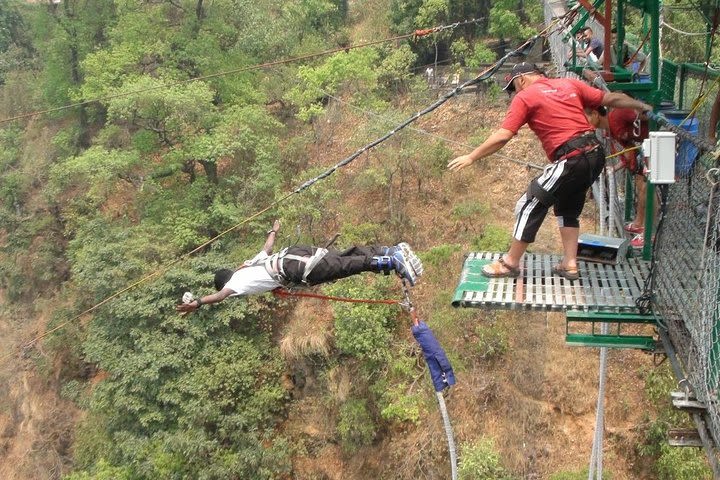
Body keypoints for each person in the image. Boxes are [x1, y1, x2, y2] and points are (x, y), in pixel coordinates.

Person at [447, 62, 652, 280]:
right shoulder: (569, 84)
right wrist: (640, 106)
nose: (513, 94)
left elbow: (503, 135)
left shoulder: (524, 97)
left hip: (572, 157)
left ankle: (510, 263)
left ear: (522, 79)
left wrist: (471, 157)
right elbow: (611, 99)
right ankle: (570, 264)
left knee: (530, 201)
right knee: (567, 207)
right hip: (594, 154)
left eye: (513, 87)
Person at [176, 220, 424, 314]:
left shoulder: (233, 284)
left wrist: (198, 302)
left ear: (226, 281)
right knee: (341, 257)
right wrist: (274, 229)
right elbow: (268, 245)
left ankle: (393, 261)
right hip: (295, 254)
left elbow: (220, 296)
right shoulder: (248, 266)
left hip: (293, 267)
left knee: (344, 266)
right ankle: (389, 251)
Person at [586, 106, 650, 247]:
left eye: (588, 116)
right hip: (646, 147)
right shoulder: (611, 130)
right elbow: (629, 151)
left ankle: (649, 233)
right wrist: (614, 168)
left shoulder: (617, 115)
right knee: (641, 186)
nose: (586, 120)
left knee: (648, 187)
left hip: (657, 140)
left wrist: (650, 115)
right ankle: (639, 224)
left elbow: (644, 113)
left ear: (596, 114)